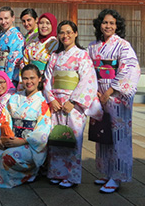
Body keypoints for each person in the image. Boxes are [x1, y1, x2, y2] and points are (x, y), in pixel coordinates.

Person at [44, 20, 102, 189]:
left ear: (75, 33)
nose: (65, 36)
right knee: (56, 137)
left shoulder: (82, 55)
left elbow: (87, 80)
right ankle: (56, 172)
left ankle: (71, 176)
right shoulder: (55, 56)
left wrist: (73, 101)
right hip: (56, 102)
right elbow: (48, 79)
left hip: (73, 104)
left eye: (69, 32)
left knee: (73, 138)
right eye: (62, 32)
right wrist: (51, 99)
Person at [88, 9, 140, 193]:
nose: (108, 26)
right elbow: (89, 71)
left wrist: (110, 91)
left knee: (118, 135)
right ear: (99, 24)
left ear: (117, 26)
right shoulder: (93, 46)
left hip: (116, 96)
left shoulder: (123, 46)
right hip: (98, 94)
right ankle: (105, 171)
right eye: (105, 22)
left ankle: (117, 176)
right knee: (102, 134)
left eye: (112, 23)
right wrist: (95, 93)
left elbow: (129, 69)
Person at [0, 65, 52, 188]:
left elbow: (43, 130)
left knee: (9, 156)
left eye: (32, 78)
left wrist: (22, 141)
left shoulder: (42, 101)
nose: (29, 82)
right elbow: (4, 119)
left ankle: (31, 174)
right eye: (25, 78)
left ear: (39, 79)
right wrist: (2, 137)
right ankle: (9, 178)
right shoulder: (14, 98)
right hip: (12, 138)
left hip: (30, 143)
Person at [0, 6, 24, 87]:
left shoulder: (17, 36)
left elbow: (13, 61)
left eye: (6, 18)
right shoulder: (0, 36)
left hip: (9, 78)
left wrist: (6, 80)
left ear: (13, 18)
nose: (3, 22)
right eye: (1, 19)